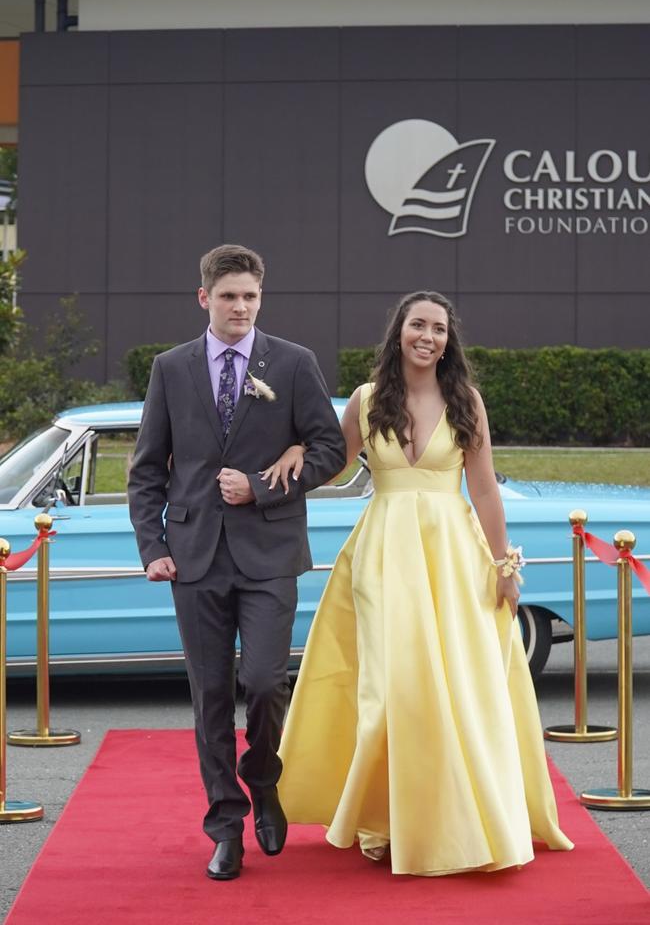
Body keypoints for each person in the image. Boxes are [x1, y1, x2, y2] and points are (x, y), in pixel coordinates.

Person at [275, 290, 574, 876]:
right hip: (381, 555)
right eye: (418, 325)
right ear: (399, 332)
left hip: (451, 559)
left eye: (438, 328)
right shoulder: (366, 399)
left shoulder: (467, 401)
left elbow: (484, 489)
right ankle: (386, 817)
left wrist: (504, 568)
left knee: (453, 689)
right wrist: (295, 447)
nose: (427, 336)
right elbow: (334, 464)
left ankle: (450, 819)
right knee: (389, 691)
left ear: (448, 339)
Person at [127, 244, 346, 881]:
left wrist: (263, 485)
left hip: (271, 552)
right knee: (211, 696)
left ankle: (263, 779)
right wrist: (154, 548)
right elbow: (145, 472)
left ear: (260, 297)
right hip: (194, 557)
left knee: (266, 681)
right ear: (205, 299)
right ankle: (225, 825)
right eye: (229, 296)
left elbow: (331, 448)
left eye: (250, 296)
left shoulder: (294, 364)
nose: (241, 307)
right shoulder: (171, 369)